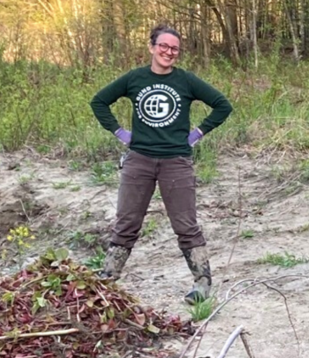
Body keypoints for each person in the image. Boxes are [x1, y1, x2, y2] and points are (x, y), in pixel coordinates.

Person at [90, 25, 233, 304]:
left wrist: (197, 134)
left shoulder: (186, 81)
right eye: (164, 46)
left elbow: (222, 105)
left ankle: (202, 283)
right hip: (138, 160)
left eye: (174, 48)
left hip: (176, 161)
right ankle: (106, 281)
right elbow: (99, 101)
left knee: (185, 224)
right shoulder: (135, 78)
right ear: (152, 47)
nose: (169, 52)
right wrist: (120, 133)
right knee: (126, 223)